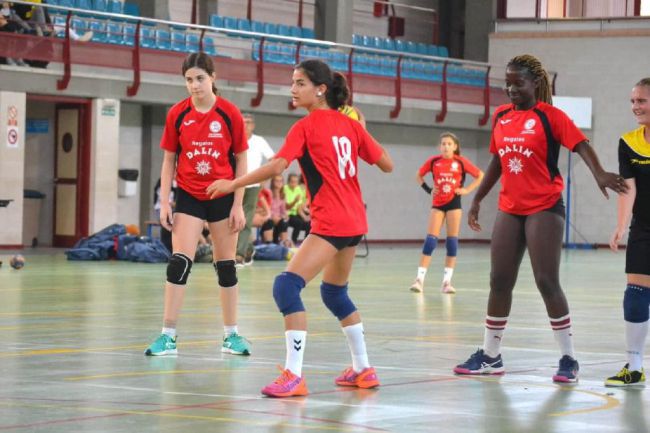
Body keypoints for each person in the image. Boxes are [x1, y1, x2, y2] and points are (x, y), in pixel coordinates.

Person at [206, 59, 393, 397]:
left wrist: (233, 183)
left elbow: (278, 165)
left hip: (333, 221)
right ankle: (364, 369)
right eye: (292, 82)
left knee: (286, 288)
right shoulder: (351, 126)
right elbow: (387, 164)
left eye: (299, 83)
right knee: (334, 293)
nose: (292, 89)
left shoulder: (306, 126)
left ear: (320, 89)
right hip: (355, 223)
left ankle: (293, 375)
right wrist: (361, 128)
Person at [453, 54, 627, 383]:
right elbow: (497, 161)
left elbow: (581, 144)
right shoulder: (502, 116)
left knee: (546, 281)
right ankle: (491, 356)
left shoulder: (550, 116)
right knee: (499, 280)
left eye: (518, 82)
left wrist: (600, 173)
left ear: (535, 83)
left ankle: (568, 359)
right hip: (510, 207)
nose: (511, 88)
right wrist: (478, 198)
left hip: (544, 206)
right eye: (507, 82)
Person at [144, 52, 251, 358]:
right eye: (189, 80)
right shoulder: (177, 114)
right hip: (189, 195)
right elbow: (168, 160)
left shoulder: (229, 113)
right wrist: (164, 201)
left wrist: (238, 204)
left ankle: (231, 336)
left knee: (226, 266)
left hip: (223, 194)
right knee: (180, 261)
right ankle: (168, 336)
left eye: (200, 78)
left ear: (212, 78)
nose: (194, 85)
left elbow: (242, 159)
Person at [605, 77, 650, 387]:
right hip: (644, 227)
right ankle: (634, 367)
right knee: (635, 295)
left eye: (642, 101)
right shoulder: (629, 141)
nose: (635, 106)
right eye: (633, 101)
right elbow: (628, 188)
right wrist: (621, 226)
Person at [409, 132, 484, 294]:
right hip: (437, 204)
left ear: (455, 147)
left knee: (452, 242)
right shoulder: (434, 161)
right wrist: (429, 190)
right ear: (439, 146)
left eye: (449, 144)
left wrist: (466, 190)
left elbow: (480, 175)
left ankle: (446, 282)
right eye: (443, 143)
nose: (446, 146)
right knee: (430, 241)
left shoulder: (461, 162)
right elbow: (418, 175)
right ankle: (419, 280)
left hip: (454, 204)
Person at [236, 112, 274, 267]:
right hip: (235, 184)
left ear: (253, 125)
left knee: (245, 219)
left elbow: (273, 160)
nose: (245, 125)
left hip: (252, 186)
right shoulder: (234, 138)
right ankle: (249, 249)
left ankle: (238, 254)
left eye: (249, 122)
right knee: (232, 219)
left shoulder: (259, 141)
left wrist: (263, 179)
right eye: (243, 122)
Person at [261, 174, 291, 245]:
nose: (279, 183)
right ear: (272, 182)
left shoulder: (283, 195)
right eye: (277, 181)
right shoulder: (268, 192)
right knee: (270, 221)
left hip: (278, 220)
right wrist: (273, 216)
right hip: (268, 218)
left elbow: (283, 211)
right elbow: (265, 209)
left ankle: (285, 244)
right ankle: (269, 244)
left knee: (284, 222)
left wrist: (285, 216)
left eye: (281, 181)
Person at [284, 173, 309, 244]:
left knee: (309, 223)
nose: (294, 184)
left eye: (295, 182)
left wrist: (305, 216)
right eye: (292, 182)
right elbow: (287, 206)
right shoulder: (285, 189)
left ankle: (306, 243)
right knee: (299, 223)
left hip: (296, 213)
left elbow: (300, 206)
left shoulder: (298, 189)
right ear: (288, 182)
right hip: (288, 213)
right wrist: (295, 201)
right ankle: (293, 242)